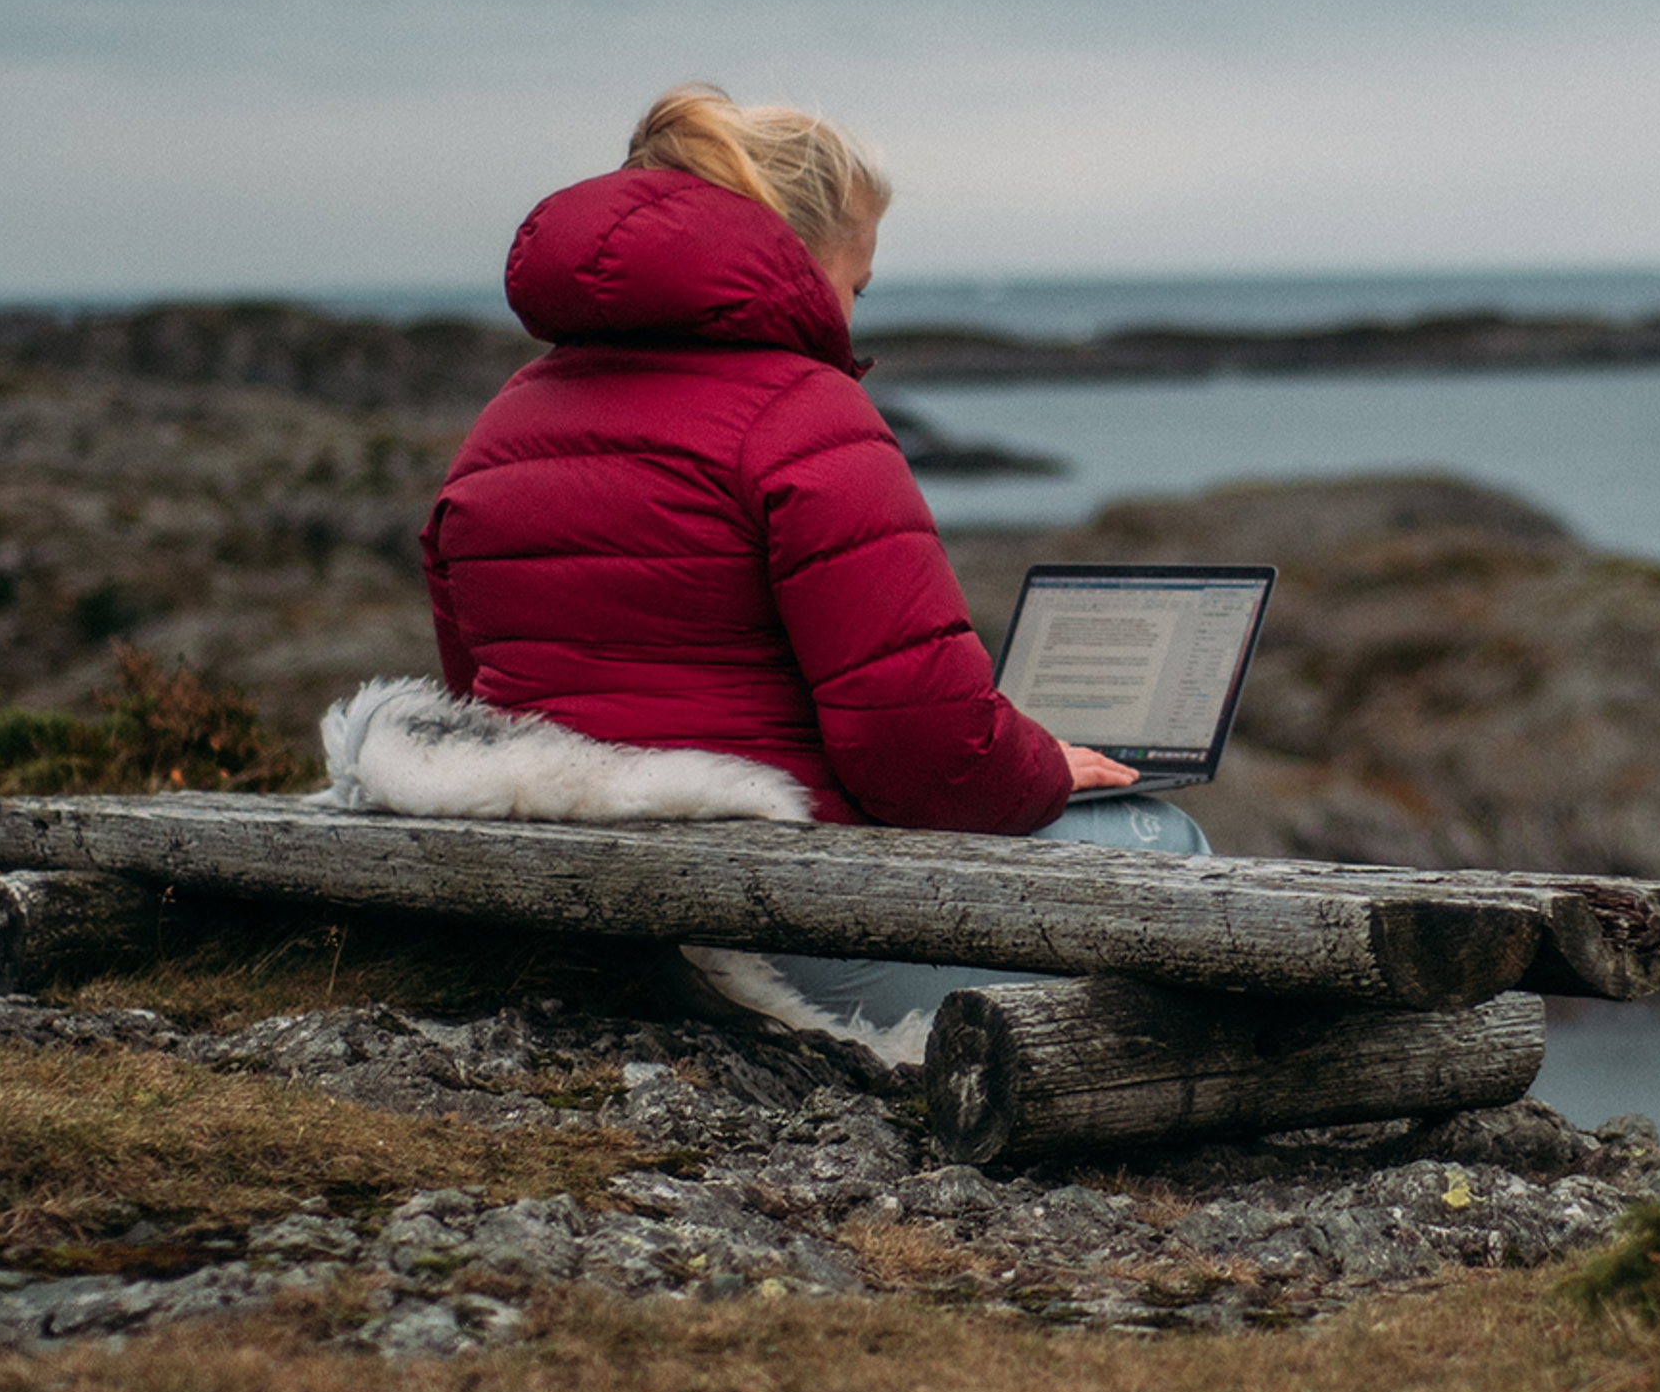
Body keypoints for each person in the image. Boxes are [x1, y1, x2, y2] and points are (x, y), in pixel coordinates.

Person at [419, 82, 1206, 1055]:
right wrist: (1042, 768)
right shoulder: (801, 412)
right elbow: (917, 753)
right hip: (778, 926)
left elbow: (476, 691)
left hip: (577, 914)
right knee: (1162, 844)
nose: (850, 312)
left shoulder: (503, 422)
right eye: (857, 283)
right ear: (796, 254)